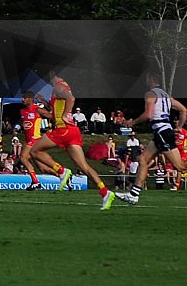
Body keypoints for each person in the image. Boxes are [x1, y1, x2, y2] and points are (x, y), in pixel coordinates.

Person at [29, 72, 115, 210]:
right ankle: (105, 192)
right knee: (84, 166)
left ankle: (61, 171)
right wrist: (45, 103)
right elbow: (55, 111)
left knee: (34, 151)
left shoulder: (58, 86)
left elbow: (71, 99)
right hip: (72, 131)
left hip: (63, 130)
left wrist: (65, 114)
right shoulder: (59, 87)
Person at [117, 74, 187, 206]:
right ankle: (133, 195)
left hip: (162, 132)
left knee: (180, 167)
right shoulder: (166, 96)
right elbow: (184, 110)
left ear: (152, 80)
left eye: (147, 79)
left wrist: (133, 122)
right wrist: (179, 127)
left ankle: (133, 194)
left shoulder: (150, 94)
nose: (146, 81)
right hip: (162, 132)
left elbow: (148, 115)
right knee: (142, 160)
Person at [19, 92, 53, 191]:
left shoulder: (37, 109)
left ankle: (35, 182)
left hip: (35, 139)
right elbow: (23, 122)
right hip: (29, 140)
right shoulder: (22, 111)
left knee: (23, 157)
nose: (23, 100)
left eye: (25, 98)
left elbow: (51, 116)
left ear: (30, 99)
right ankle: (63, 173)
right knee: (43, 168)